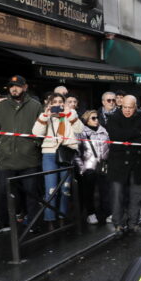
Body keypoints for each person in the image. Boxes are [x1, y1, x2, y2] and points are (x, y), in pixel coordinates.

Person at [0, 76, 43, 233]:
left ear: (25, 87)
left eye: (17, 86)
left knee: (32, 193)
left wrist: (35, 143)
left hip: (29, 159)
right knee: (4, 193)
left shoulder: (35, 106)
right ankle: (3, 223)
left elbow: (43, 127)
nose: (14, 89)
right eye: (11, 86)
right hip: (7, 158)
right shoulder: (1, 106)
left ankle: (33, 223)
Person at [32, 93, 83, 230]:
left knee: (65, 189)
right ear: (50, 104)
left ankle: (62, 217)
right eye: (55, 102)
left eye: (61, 101)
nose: (58, 104)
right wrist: (45, 115)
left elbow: (80, 130)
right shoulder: (47, 116)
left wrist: (70, 114)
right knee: (51, 189)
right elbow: (36, 133)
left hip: (66, 154)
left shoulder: (70, 114)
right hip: (49, 154)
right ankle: (50, 219)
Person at [106, 95, 141, 234]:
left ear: (135, 106)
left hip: (137, 162)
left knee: (136, 196)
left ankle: (134, 223)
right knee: (117, 196)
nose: (127, 110)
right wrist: (136, 133)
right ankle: (118, 224)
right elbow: (115, 135)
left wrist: (127, 136)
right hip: (118, 163)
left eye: (130, 107)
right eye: (124, 107)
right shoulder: (113, 118)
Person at [75, 109, 110, 225]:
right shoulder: (82, 133)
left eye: (97, 118)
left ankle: (107, 212)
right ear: (86, 120)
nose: (96, 120)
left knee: (105, 190)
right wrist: (82, 169)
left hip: (103, 165)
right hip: (89, 167)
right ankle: (91, 214)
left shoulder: (104, 131)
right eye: (93, 118)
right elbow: (76, 153)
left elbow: (109, 148)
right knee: (89, 192)